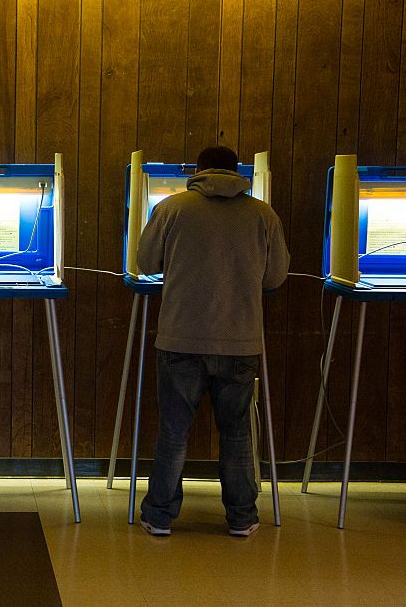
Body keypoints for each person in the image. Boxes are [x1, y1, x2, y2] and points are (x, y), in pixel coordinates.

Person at [136, 146, 289, 537]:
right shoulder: (262, 214)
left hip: (179, 339)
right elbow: (274, 278)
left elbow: (145, 262)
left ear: (198, 171)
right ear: (238, 173)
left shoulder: (172, 208)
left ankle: (159, 516)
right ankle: (241, 517)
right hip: (239, 342)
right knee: (237, 431)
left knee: (173, 429)